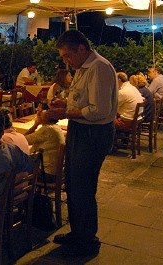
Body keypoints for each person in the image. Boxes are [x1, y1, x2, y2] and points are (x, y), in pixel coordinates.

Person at [48, 30, 117, 256]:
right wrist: (64, 105)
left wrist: (66, 111)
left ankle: (87, 242)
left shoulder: (99, 67)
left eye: (68, 55)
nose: (66, 61)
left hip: (93, 134)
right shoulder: (83, 68)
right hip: (81, 130)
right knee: (73, 183)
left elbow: (99, 110)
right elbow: (81, 100)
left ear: (81, 48)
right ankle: (78, 233)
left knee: (83, 188)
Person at [24, 108, 65, 180]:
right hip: (57, 171)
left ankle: (24, 190)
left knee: (18, 168)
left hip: (46, 174)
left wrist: (35, 125)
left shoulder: (47, 129)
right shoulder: (56, 127)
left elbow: (23, 140)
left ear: (48, 117)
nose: (39, 115)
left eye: (41, 114)